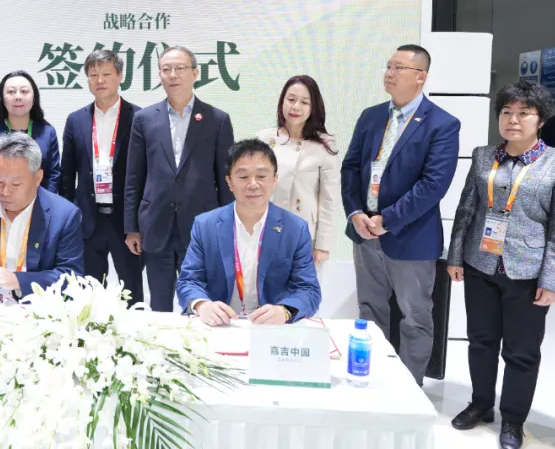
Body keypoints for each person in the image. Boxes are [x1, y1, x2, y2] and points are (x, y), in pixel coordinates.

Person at [446, 81, 555, 449]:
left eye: (523, 113)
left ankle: (514, 419)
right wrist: (455, 255)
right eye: (506, 112)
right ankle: (481, 404)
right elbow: (466, 209)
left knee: (521, 352)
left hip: (528, 271)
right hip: (480, 264)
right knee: (481, 341)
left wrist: (552, 280)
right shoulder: (483, 155)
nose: (513, 120)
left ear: (541, 120)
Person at [340, 44, 460, 385]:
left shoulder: (442, 124)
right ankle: (370, 379)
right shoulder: (371, 116)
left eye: (398, 68)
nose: (389, 73)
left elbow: (433, 185)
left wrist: (387, 220)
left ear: (421, 77)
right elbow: (351, 168)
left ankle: (409, 389)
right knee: (370, 311)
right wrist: (355, 213)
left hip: (410, 237)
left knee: (415, 316)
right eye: (388, 66)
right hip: (364, 232)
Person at [125, 45, 235, 312]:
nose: (173, 75)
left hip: (201, 226)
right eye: (166, 69)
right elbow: (134, 176)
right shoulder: (144, 119)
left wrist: (227, 227)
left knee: (198, 303)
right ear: (160, 75)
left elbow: (226, 180)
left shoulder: (217, 119)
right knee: (159, 305)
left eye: (180, 68)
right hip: (155, 225)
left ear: (195, 73)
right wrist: (131, 227)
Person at [177, 139, 321, 325]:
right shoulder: (205, 225)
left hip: (271, 326)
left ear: (274, 179)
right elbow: (188, 281)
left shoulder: (295, 228)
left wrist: (285, 311)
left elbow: (309, 289)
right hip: (221, 324)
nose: (253, 184)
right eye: (243, 177)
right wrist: (202, 305)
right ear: (229, 182)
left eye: (261, 176)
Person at [0, 131, 83, 302]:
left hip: (38, 310)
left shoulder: (64, 215)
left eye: (16, 184)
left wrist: (18, 280)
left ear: (38, 178)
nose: (5, 192)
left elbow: (71, 278)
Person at [60, 50, 143, 302]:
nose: (99, 80)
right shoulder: (76, 120)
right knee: (87, 294)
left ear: (120, 76)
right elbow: (67, 176)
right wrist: (68, 221)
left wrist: (136, 226)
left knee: (131, 293)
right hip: (88, 220)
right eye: (93, 75)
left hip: (125, 223)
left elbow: (145, 175)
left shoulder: (139, 117)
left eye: (106, 74)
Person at [256, 76, 340, 267]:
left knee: (303, 285)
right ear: (282, 101)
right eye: (291, 99)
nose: (296, 107)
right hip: (266, 229)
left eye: (304, 102)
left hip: (305, 233)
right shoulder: (264, 138)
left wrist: (323, 245)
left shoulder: (324, 145)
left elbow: (329, 199)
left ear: (313, 107)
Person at [0, 70, 60, 196]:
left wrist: (40, 202)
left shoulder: (47, 132)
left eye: (24, 91)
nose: (18, 97)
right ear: (2, 98)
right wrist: (4, 201)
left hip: (38, 204)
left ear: (34, 97)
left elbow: (53, 175)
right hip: (0, 203)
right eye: (11, 91)